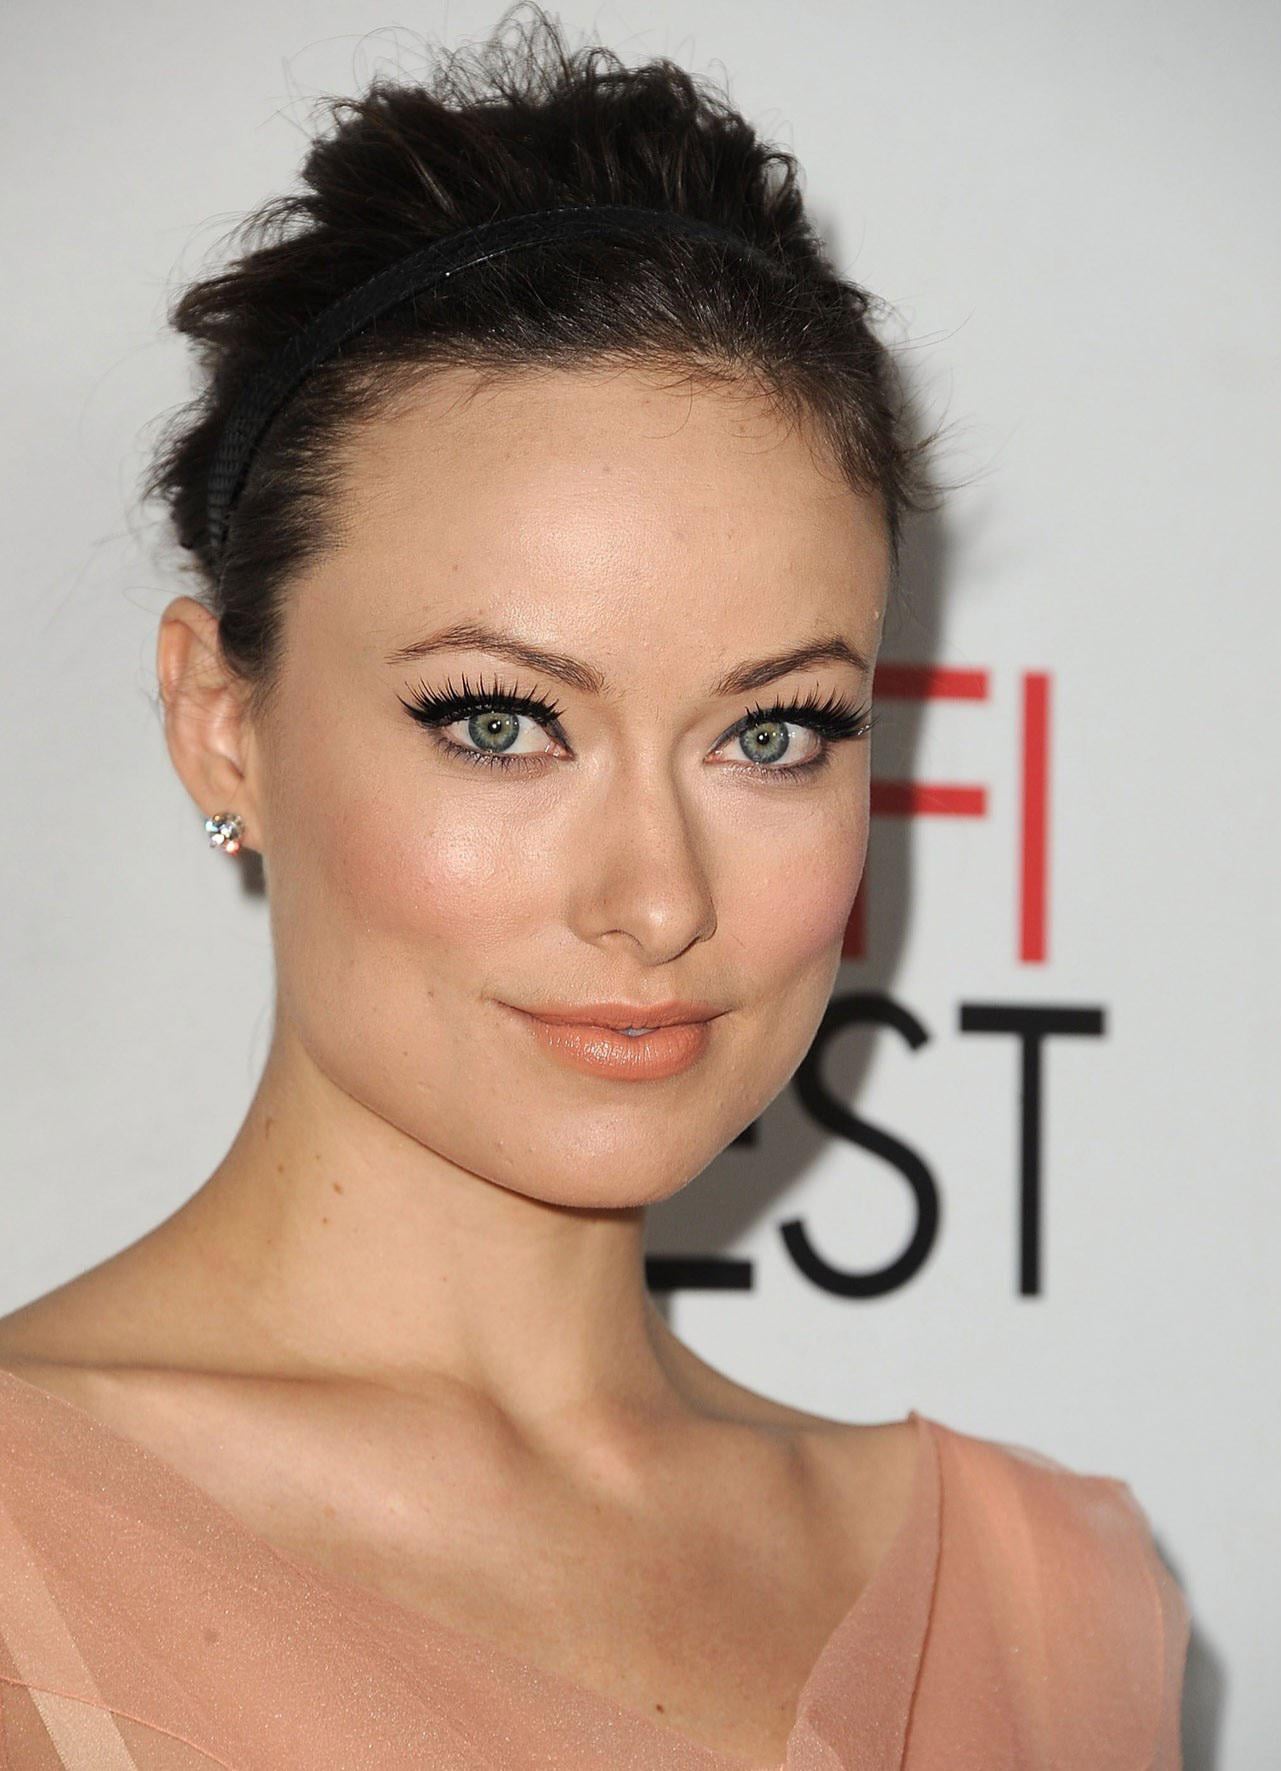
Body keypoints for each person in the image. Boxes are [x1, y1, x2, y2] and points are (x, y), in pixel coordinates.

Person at [0, 7, 1189, 1766]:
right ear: (221, 725)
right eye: (500, 723)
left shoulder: (1050, 1606)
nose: (656, 901)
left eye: (772, 734)